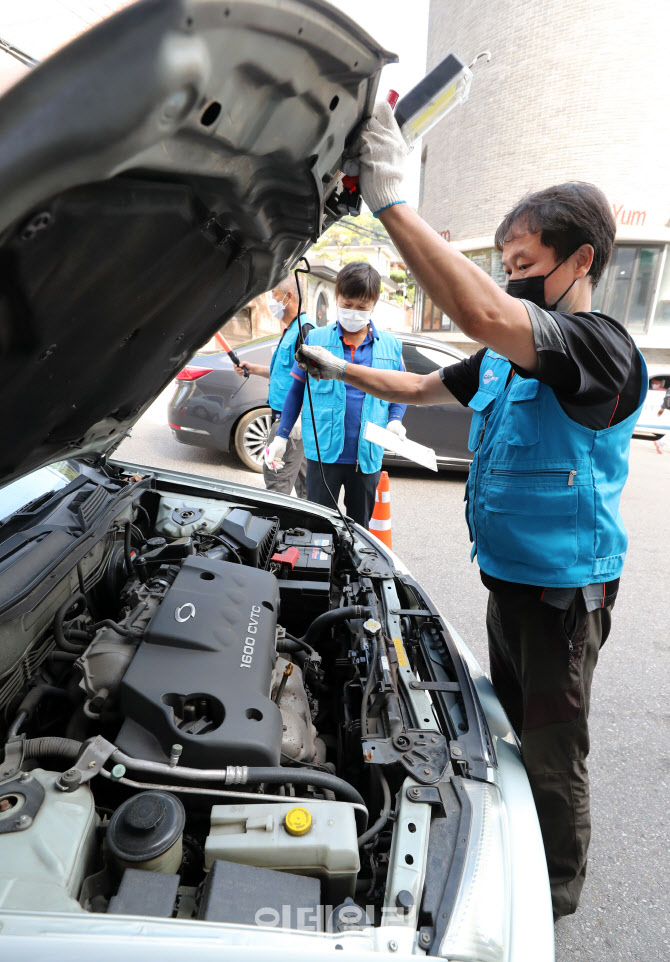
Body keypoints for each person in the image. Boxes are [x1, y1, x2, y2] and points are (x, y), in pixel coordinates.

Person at [296, 104, 648, 921]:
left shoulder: (598, 346)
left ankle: (552, 899)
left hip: (563, 594)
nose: (512, 276)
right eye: (506, 263)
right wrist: (337, 370)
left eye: (523, 263)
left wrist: (391, 200)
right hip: (508, 579)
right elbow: (422, 387)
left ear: (579, 261)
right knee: (513, 731)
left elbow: (486, 312)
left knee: (556, 753)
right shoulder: (507, 352)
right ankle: (512, 845)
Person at [265, 261, 406, 527]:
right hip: (323, 455)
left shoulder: (391, 346)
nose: (353, 312)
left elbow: (398, 389)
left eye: (362, 307)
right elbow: (297, 390)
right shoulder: (315, 340)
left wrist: (395, 418)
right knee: (319, 527)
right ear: (337, 299)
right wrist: (281, 436)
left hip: (366, 457)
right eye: (347, 304)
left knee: (359, 529)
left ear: (374, 304)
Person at [234, 276, 313, 497]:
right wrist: (254, 369)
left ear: (288, 297)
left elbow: (311, 381)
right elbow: (289, 374)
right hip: (290, 419)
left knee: (276, 480)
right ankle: (305, 526)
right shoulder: (291, 330)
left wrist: (295, 420)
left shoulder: (305, 331)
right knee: (304, 482)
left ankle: (278, 526)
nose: (271, 300)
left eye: (274, 295)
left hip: (290, 421)